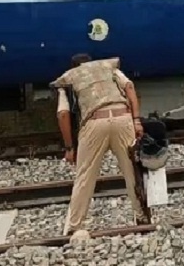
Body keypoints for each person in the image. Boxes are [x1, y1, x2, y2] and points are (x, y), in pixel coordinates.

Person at [53, 53, 149, 235]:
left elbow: (63, 114)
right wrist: (136, 120)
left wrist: (69, 148)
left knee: (85, 175)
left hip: (94, 122)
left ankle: (75, 225)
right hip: (123, 117)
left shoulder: (68, 78)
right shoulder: (109, 68)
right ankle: (142, 217)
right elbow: (129, 87)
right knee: (133, 171)